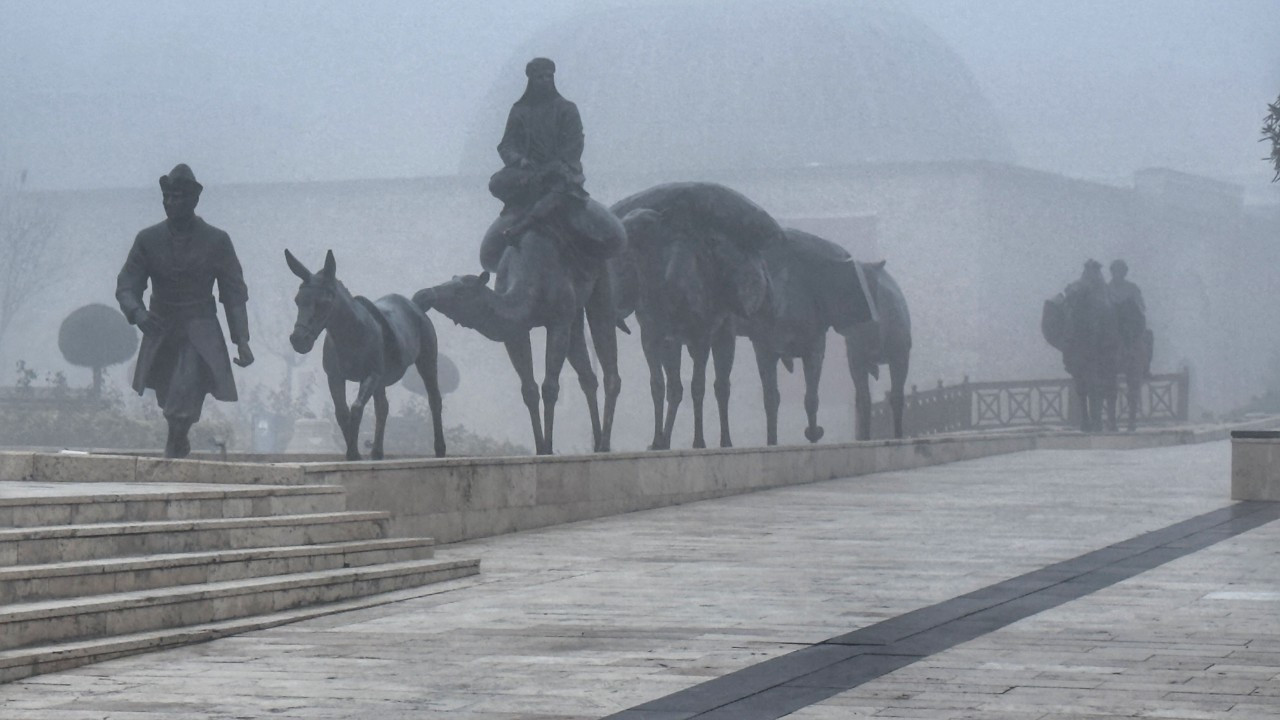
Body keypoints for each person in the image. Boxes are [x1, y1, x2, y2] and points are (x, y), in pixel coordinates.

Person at [115, 164, 254, 458]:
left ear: (192, 200)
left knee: (185, 388)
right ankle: (179, 437)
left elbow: (233, 293)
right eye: (166, 196)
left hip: (199, 328)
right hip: (160, 327)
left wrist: (241, 339)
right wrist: (138, 315)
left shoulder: (217, 240)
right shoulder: (147, 239)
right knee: (169, 394)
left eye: (176, 197)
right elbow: (127, 285)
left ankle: (175, 439)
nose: (169, 202)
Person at [481, 58, 623, 272]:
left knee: (559, 189)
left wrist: (554, 167)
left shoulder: (567, 109)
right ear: (531, 80)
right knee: (496, 183)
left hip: (561, 173)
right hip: (528, 174)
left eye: (549, 76)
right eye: (540, 77)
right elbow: (506, 144)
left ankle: (524, 225)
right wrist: (519, 160)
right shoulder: (520, 110)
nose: (545, 81)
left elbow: (574, 144)